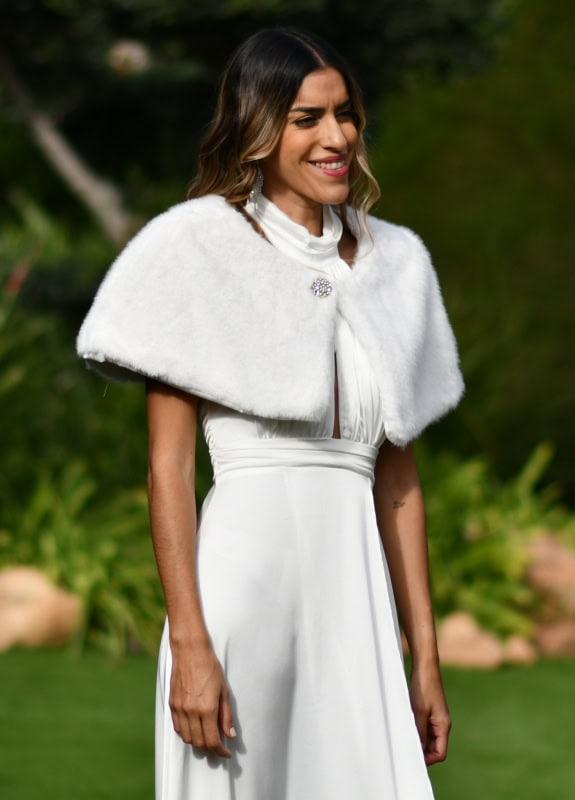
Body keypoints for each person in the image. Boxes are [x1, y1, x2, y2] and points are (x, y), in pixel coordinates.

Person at [77, 26, 464, 800]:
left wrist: (423, 655)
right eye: (306, 118)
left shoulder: (398, 265)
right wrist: (190, 641)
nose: (336, 138)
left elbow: (398, 483)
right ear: (256, 129)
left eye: (345, 114)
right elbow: (169, 468)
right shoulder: (194, 249)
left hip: (354, 605)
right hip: (238, 599)